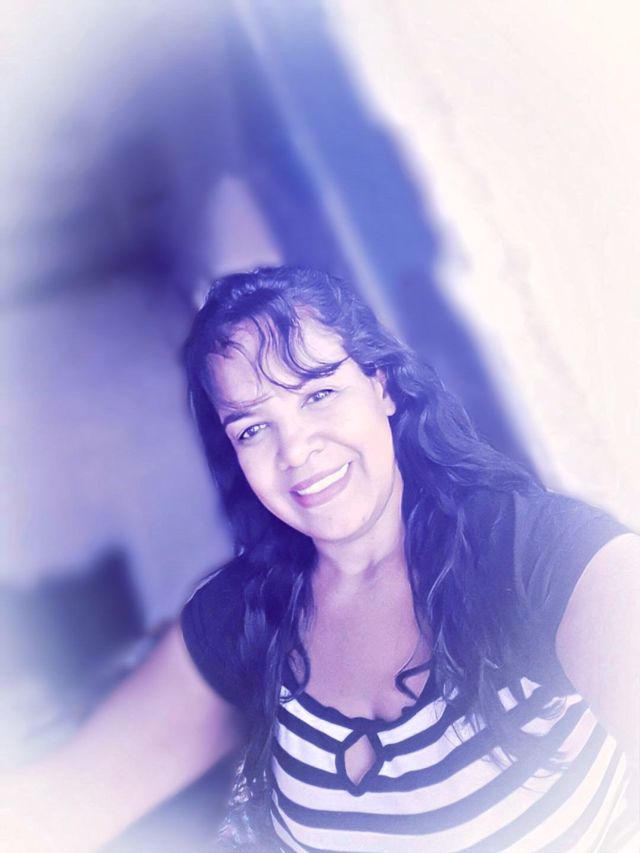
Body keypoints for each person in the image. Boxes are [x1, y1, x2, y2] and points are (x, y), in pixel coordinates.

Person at [4, 267, 639, 852]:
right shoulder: (244, 617)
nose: (295, 451)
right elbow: (61, 804)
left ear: (381, 387)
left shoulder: (534, 556)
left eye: (318, 394)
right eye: (253, 428)